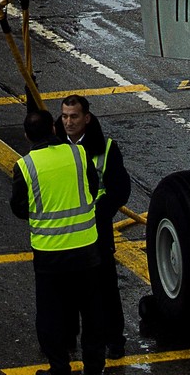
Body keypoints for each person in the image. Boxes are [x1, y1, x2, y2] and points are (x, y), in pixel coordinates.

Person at [11, 107, 105, 375]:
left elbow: (19, 207)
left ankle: (59, 367)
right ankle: (95, 366)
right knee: (91, 313)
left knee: (52, 314)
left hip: (49, 253)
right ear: (54, 129)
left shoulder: (26, 166)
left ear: (27, 137)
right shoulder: (78, 153)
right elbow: (92, 186)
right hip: (86, 248)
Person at [60, 94, 132, 360]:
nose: (68, 122)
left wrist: (99, 214)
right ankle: (68, 341)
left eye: (74, 116)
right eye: (65, 116)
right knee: (67, 293)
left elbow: (119, 189)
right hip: (66, 234)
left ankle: (114, 341)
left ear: (86, 118)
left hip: (96, 233)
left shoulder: (107, 148)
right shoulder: (55, 145)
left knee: (106, 291)